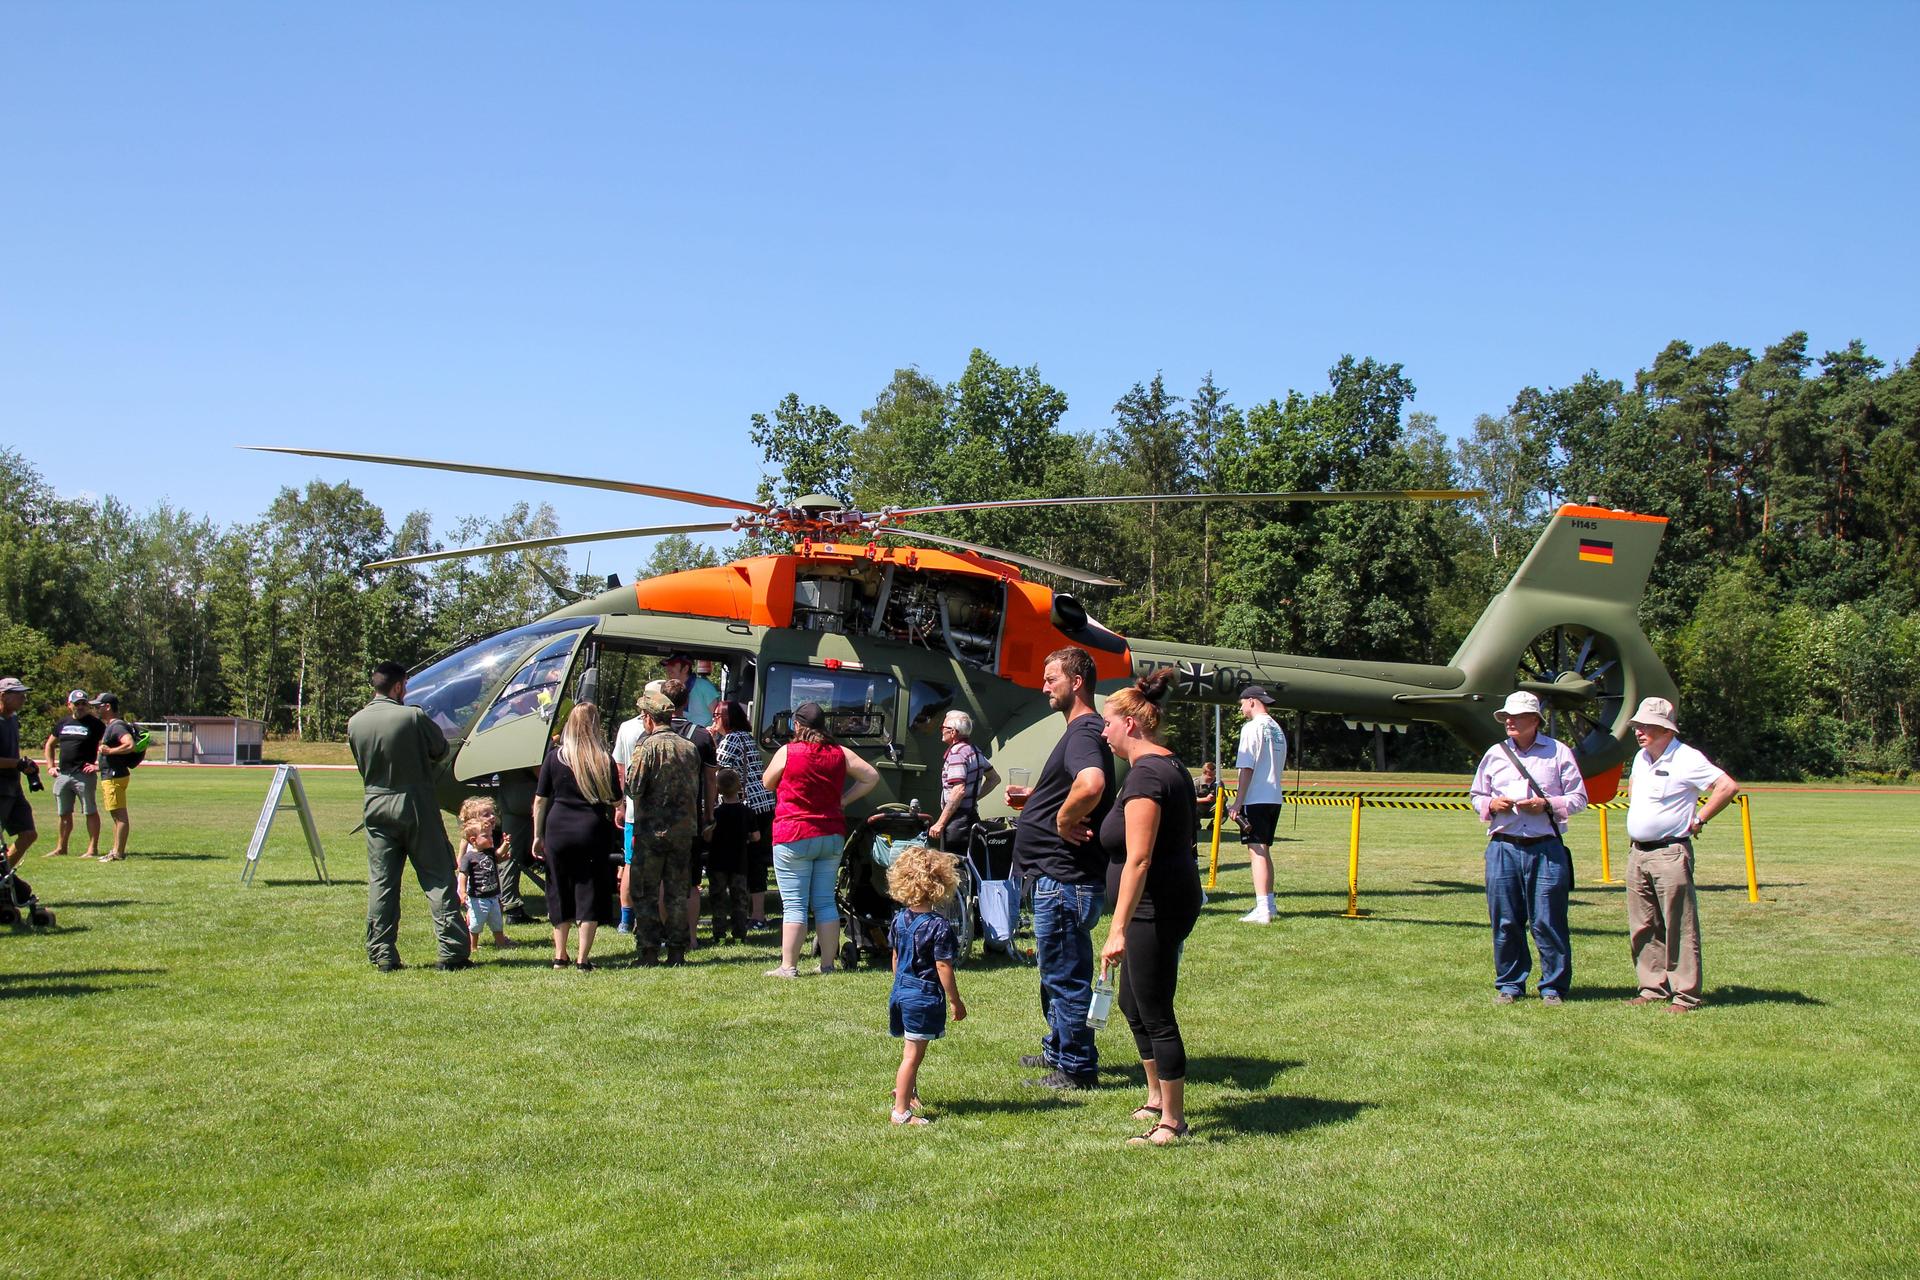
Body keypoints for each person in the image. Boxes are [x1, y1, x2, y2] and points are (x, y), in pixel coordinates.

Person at [1097, 668, 1204, 1145]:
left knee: (1155, 1007)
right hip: (1159, 901)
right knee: (1130, 1001)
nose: (1104, 732)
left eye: (1108, 723)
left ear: (1131, 725)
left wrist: (1117, 929)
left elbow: (1139, 859)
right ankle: (1156, 1096)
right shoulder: (1165, 765)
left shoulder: (1147, 776)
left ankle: (1173, 1121)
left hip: (1153, 907)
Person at [1012, 647, 1115, 1090]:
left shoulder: (1084, 732)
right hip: (1057, 878)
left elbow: (1091, 783)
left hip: (1064, 880)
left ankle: (1076, 1068)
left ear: (1076, 682)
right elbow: (1076, 784)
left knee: (1066, 975)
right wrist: (1039, 797)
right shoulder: (1082, 732)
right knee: (1054, 971)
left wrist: (1061, 819)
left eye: (1051, 678)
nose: (1043, 686)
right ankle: (1058, 1049)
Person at [347, 661, 470, 972]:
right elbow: (440, 748)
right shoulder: (412, 716)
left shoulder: (356, 722)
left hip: (375, 804)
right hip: (415, 804)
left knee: (382, 883)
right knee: (437, 877)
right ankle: (453, 951)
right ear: (400, 687)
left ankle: (383, 954)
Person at [1468, 691, 1589, 1005]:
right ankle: (1509, 985)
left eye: (1516, 717)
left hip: (1546, 848)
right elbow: (1476, 796)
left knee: (1547, 920)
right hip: (1503, 847)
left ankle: (1553, 987)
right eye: (1506, 717)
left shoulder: (1559, 752)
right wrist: (1491, 804)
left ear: (1535, 721)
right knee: (1505, 920)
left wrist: (1547, 804)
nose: (1509, 721)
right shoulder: (1495, 753)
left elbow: (1579, 798)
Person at [1622, 696, 1740, 1013]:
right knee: (1643, 925)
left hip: (1670, 852)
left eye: (1645, 726)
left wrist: (1699, 819)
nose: (1638, 731)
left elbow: (1727, 787)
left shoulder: (1687, 758)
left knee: (1679, 925)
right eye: (1637, 725)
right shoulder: (1641, 757)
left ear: (1664, 728)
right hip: (1638, 854)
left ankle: (1685, 994)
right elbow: (1634, 789)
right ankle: (1651, 987)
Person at [762, 701, 879, 978]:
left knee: (794, 904)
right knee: (825, 902)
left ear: (798, 725)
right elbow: (871, 776)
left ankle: (788, 966)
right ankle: (828, 965)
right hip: (831, 833)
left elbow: (767, 782)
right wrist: (844, 800)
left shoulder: (787, 752)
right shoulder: (840, 752)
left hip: (794, 833)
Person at [884, 844, 967, 1126]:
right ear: (941, 883)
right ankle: (901, 1112)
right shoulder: (938, 926)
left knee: (911, 1045)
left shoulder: (899, 920)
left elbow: (895, 956)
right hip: (922, 993)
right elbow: (943, 966)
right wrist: (955, 1000)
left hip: (901, 991)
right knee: (912, 1055)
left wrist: (899, 984)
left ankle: (909, 1092)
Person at [534, 702, 620, 971]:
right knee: (589, 889)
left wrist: (538, 835)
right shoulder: (602, 759)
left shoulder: (554, 757)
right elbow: (615, 798)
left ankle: (560, 955)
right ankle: (583, 958)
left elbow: (539, 800)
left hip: (557, 826)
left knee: (558, 887)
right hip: (590, 828)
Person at [623, 690, 702, 966]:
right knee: (677, 893)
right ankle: (677, 951)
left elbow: (634, 788)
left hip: (652, 832)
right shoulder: (689, 747)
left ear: (648, 718)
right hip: (683, 832)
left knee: (645, 892)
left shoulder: (647, 747)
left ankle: (648, 950)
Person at [663, 677, 720, 950]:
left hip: (658, 818)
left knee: (662, 880)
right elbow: (711, 780)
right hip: (691, 817)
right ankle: (692, 938)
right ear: (686, 702)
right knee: (691, 882)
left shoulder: (648, 733)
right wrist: (709, 813)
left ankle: (666, 935)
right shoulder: (701, 735)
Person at [712, 699, 775, 928]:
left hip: (745, 804)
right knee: (756, 859)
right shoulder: (746, 737)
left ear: (728, 718)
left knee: (743, 861)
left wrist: (710, 741)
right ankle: (757, 913)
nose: (714, 720)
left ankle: (751, 914)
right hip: (763, 803)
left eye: (718, 716)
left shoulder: (730, 739)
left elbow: (714, 769)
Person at [1228, 685, 1287, 923]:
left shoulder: (1251, 728)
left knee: (1257, 852)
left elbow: (1247, 768)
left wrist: (1237, 802)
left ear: (1252, 701)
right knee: (1263, 850)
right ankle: (1268, 904)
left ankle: (1263, 908)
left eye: (1242, 703)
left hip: (1256, 797)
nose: (1241, 708)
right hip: (1274, 796)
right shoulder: (1276, 728)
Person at [928, 709, 999, 856]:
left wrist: (940, 823)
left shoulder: (957, 754)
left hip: (957, 823)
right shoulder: (974, 751)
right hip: (972, 817)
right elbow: (994, 779)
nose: (941, 731)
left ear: (953, 732)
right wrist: (973, 797)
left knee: (953, 868)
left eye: (943, 728)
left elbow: (958, 790)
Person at [43, 690, 104, 859]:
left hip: (83, 775)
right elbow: (49, 745)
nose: (81, 707)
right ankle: (61, 848)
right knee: (64, 813)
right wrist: (50, 766)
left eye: (84, 703)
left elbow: (106, 745)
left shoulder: (96, 724)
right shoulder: (63, 723)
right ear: (69, 705)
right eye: (77, 703)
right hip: (63, 775)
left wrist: (98, 765)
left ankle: (92, 849)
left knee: (89, 811)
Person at [707, 767, 753, 944]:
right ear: (739, 786)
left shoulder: (716, 813)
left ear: (717, 789)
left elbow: (709, 836)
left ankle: (718, 934)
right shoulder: (747, 812)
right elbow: (755, 836)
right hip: (739, 862)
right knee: (739, 899)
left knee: (718, 898)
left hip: (717, 861)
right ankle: (740, 933)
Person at [457, 817, 515, 957]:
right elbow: (463, 875)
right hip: (477, 898)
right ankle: (473, 946)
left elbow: (499, 855)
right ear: (473, 840)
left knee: (497, 922)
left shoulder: (489, 852)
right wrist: (463, 892)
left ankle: (500, 943)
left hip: (493, 896)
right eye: (486, 836)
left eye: (491, 835)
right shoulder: (469, 857)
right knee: (476, 924)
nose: (490, 838)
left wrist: (506, 844)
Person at [0, 677, 40, 863]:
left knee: (29, 833)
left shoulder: (13, 718)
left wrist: (25, 764)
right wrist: (17, 763)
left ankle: (3, 877)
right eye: (19, 694)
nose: (24, 698)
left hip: (13, 787)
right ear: (4, 696)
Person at [94, 694, 138, 861]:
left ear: (107, 707)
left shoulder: (116, 726)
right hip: (111, 775)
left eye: (98, 706)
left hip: (114, 777)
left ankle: (118, 853)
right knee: (116, 816)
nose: (96, 709)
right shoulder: (110, 726)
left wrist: (109, 751)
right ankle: (115, 850)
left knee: (120, 817)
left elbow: (129, 744)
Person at [662, 652, 719, 725]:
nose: (667, 668)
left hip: (702, 735)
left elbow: (718, 718)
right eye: (667, 665)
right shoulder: (670, 689)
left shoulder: (704, 686)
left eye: (672, 665)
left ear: (685, 668)